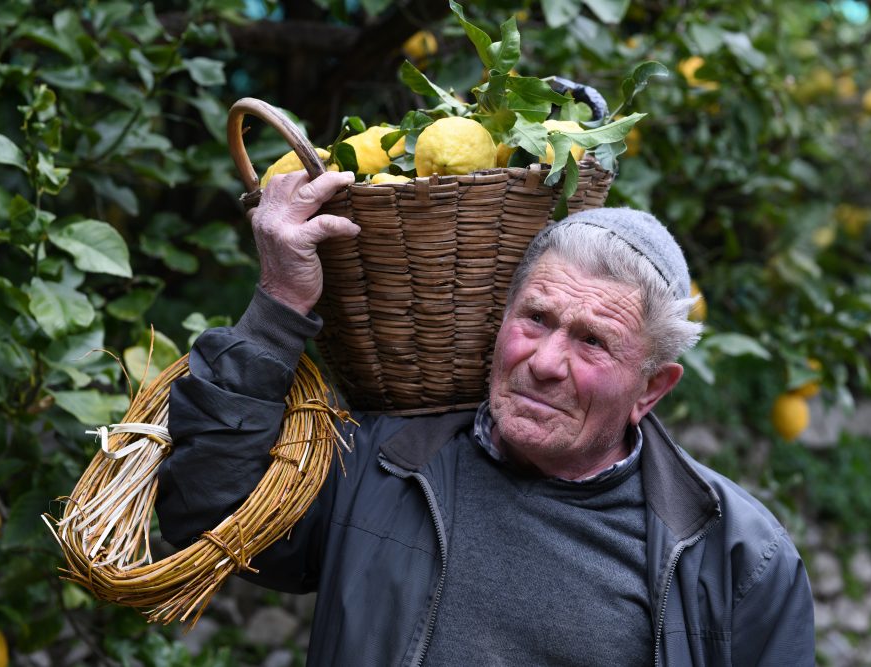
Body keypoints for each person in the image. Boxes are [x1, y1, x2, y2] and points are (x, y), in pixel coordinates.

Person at [156, 169, 815, 666]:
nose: (546, 360)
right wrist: (279, 303)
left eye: (592, 341)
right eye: (535, 318)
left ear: (651, 389)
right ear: (500, 317)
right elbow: (207, 517)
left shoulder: (739, 560)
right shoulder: (382, 464)